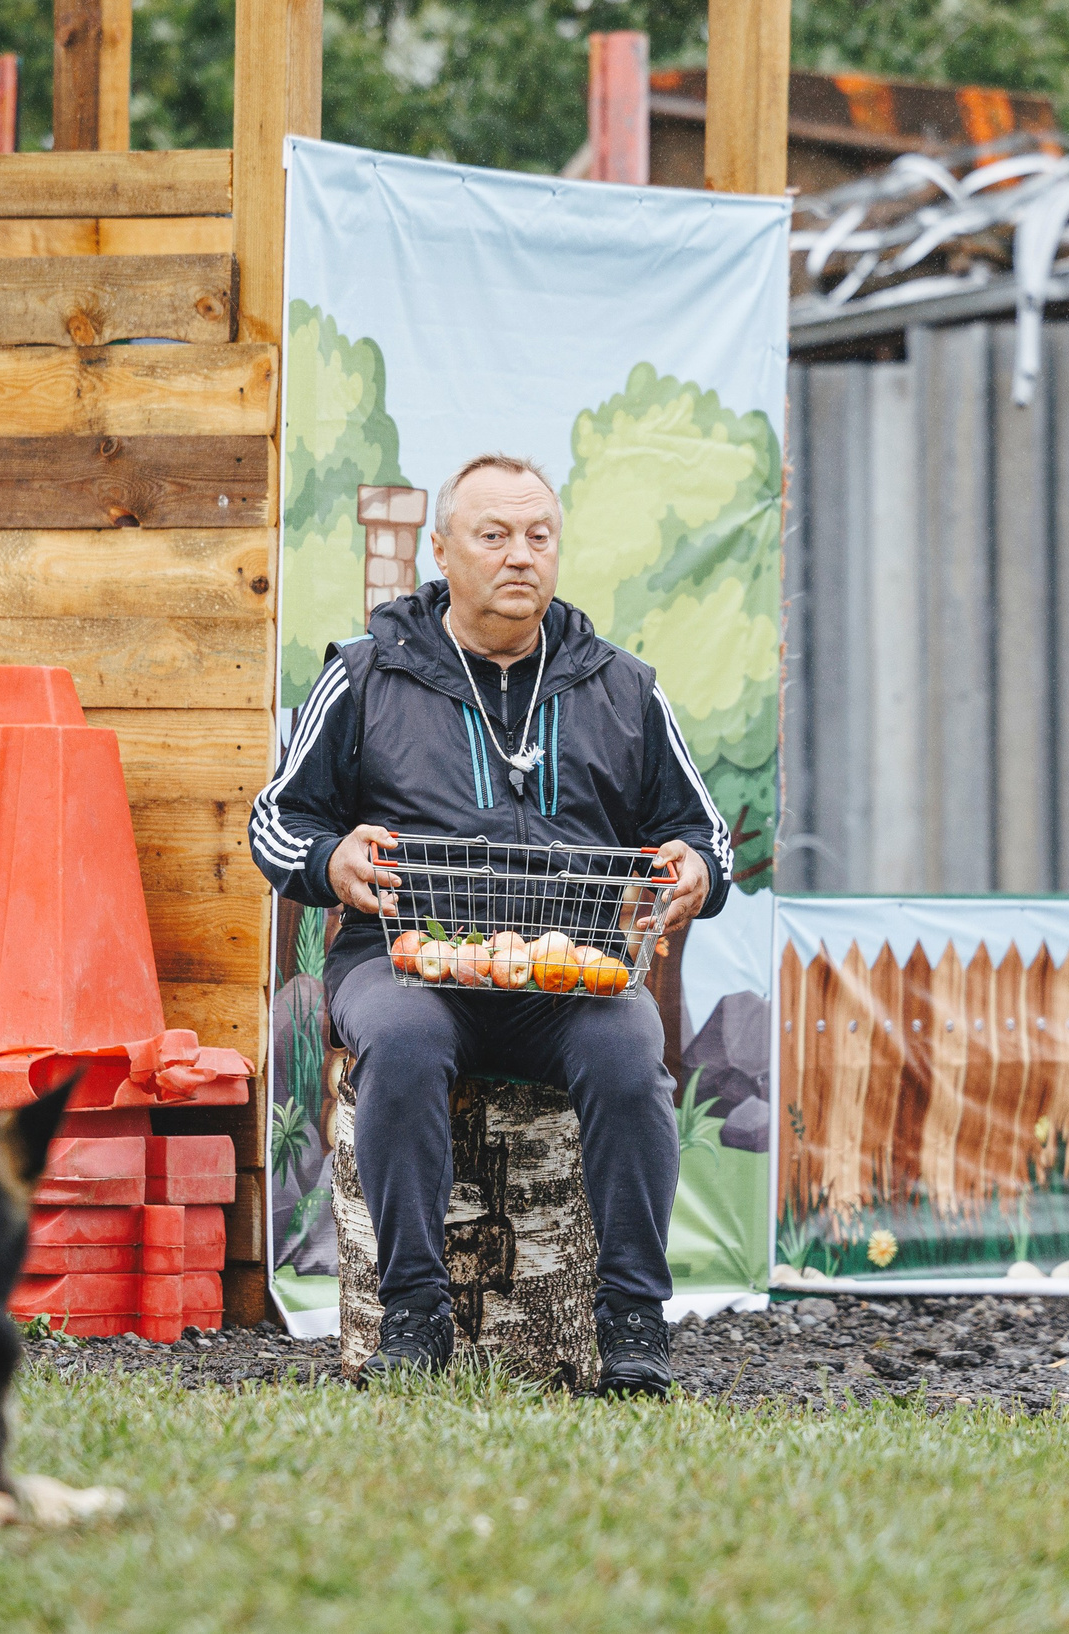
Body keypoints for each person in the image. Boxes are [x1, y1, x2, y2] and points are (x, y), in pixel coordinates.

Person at [250, 453, 732, 1396]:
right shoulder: (366, 673)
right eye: (495, 535)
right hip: (406, 964)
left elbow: (701, 831)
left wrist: (695, 870)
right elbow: (278, 820)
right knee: (403, 1040)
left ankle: (634, 1325)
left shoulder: (623, 686)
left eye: (539, 536)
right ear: (441, 551)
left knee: (631, 1052)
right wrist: (331, 860)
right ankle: (414, 1317)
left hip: (571, 972)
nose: (521, 556)